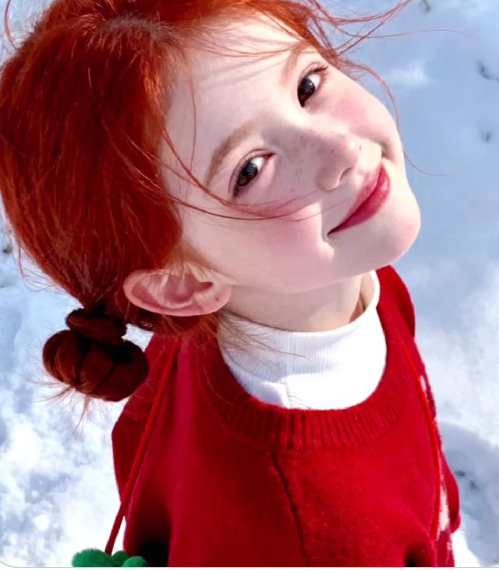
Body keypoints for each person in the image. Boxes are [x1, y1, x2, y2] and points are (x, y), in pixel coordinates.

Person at [0, 0, 460, 565]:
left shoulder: (341, 269)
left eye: (307, 86)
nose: (342, 149)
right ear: (180, 287)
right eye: (250, 169)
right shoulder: (304, 532)